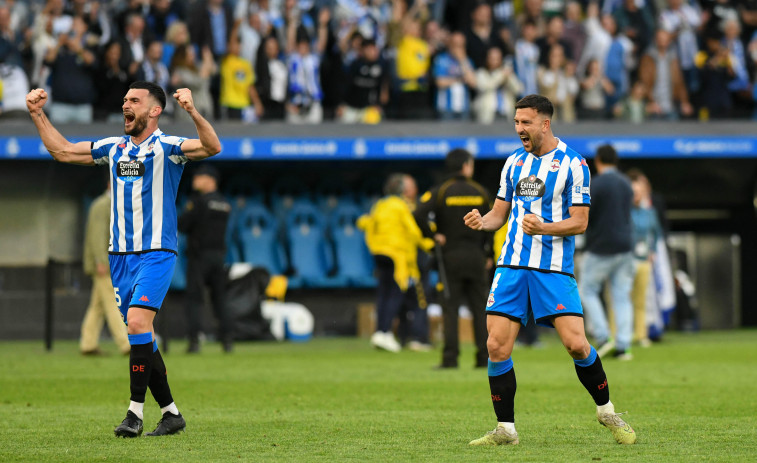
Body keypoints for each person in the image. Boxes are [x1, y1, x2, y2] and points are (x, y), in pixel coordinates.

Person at [26, 80, 222, 438]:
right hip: (119, 257)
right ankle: (172, 414)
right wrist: (37, 114)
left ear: (154, 110)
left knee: (135, 323)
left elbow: (212, 145)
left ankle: (134, 414)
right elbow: (65, 152)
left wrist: (192, 111)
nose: (125, 105)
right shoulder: (113, 148)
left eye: (134, 100)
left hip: (156, 252)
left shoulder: (169, 146)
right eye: (124, 100)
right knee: (142, 336)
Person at [464, 94, 636, 446]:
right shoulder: (512, 163)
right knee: (496, 346)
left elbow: (580, 222)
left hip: (553, 268)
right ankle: (506, 430)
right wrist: (483, 222)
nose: (519, 129)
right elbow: (500, 214)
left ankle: (607, 411)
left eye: (525, 122)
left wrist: (543, 227)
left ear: (545, 123)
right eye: (515, 122)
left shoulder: (575, 164)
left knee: (575, 344)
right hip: (511, 265)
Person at [415, 149, 492, 369]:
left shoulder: (441, 191)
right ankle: (483, 358)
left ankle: (450, 359)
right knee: (480, 308)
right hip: (476, 256)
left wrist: (433, 236)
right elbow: (491, 224)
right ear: (466, 165)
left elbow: (418, 214)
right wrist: (488, 254)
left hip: (450, 256)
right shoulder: (480, 191)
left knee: (450, 308)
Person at [357, 174, 434, 353]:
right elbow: (413, 231)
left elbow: (368, 223)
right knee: (396, 294)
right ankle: (386, 333)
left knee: (383, 293)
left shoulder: (380, 205)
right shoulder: (401, 206)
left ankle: (379, 332)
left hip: (378, 253)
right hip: (396, 256)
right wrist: (429, 244)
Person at [578, 144, 635, 361]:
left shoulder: (597, 184)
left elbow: (586, 215)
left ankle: (603, 337)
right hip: (625, 247)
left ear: (598, 160)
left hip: (601, 247)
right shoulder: (626, 183)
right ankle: (623, 345)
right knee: (621, 297)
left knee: (587, 290)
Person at [178, 164, 233, 353]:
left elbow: (183, 225)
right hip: (219, 257)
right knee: (220, 299)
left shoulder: (199, 202)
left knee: (194, 299)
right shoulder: (224, 204)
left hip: (199, 257)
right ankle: (227, 341)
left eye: (198, 177)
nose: (195, 181)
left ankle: (194, 342)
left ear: (210, 180)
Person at [80, 182, 130, 356]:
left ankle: (88, 344)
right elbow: (97, 235)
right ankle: (126, 344)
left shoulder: (113, 204)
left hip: (110, 263)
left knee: (97, 306)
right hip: (106, 264)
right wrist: (101, 261)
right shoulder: (102, 205)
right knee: (114, 303)